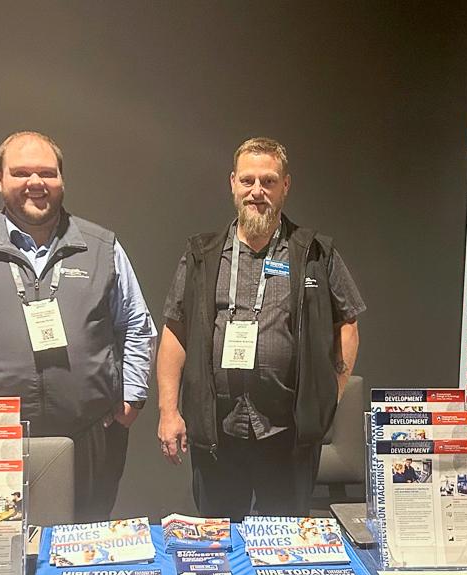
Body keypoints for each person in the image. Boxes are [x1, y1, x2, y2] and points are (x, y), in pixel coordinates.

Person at [0, 131, 157, 522]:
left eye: (47, 172)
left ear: (62, 179)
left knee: (81, 541)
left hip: (88, 434)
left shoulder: (102, 247)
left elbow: (137, 325)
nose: (36, 183)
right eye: (21, 172)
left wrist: (133, 395)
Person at [156, 137, 364, 519]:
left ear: (285, 185)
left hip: (287, 436)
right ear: (232, 183)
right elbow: (175, 331)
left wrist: (328, 396)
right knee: (219, 540)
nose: (257, 191)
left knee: (283, 540)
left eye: (268, 181)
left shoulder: (315, 253)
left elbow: (347, 325)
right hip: (217, 434)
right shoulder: (202, 255)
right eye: (248, 180)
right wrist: (169, 411)